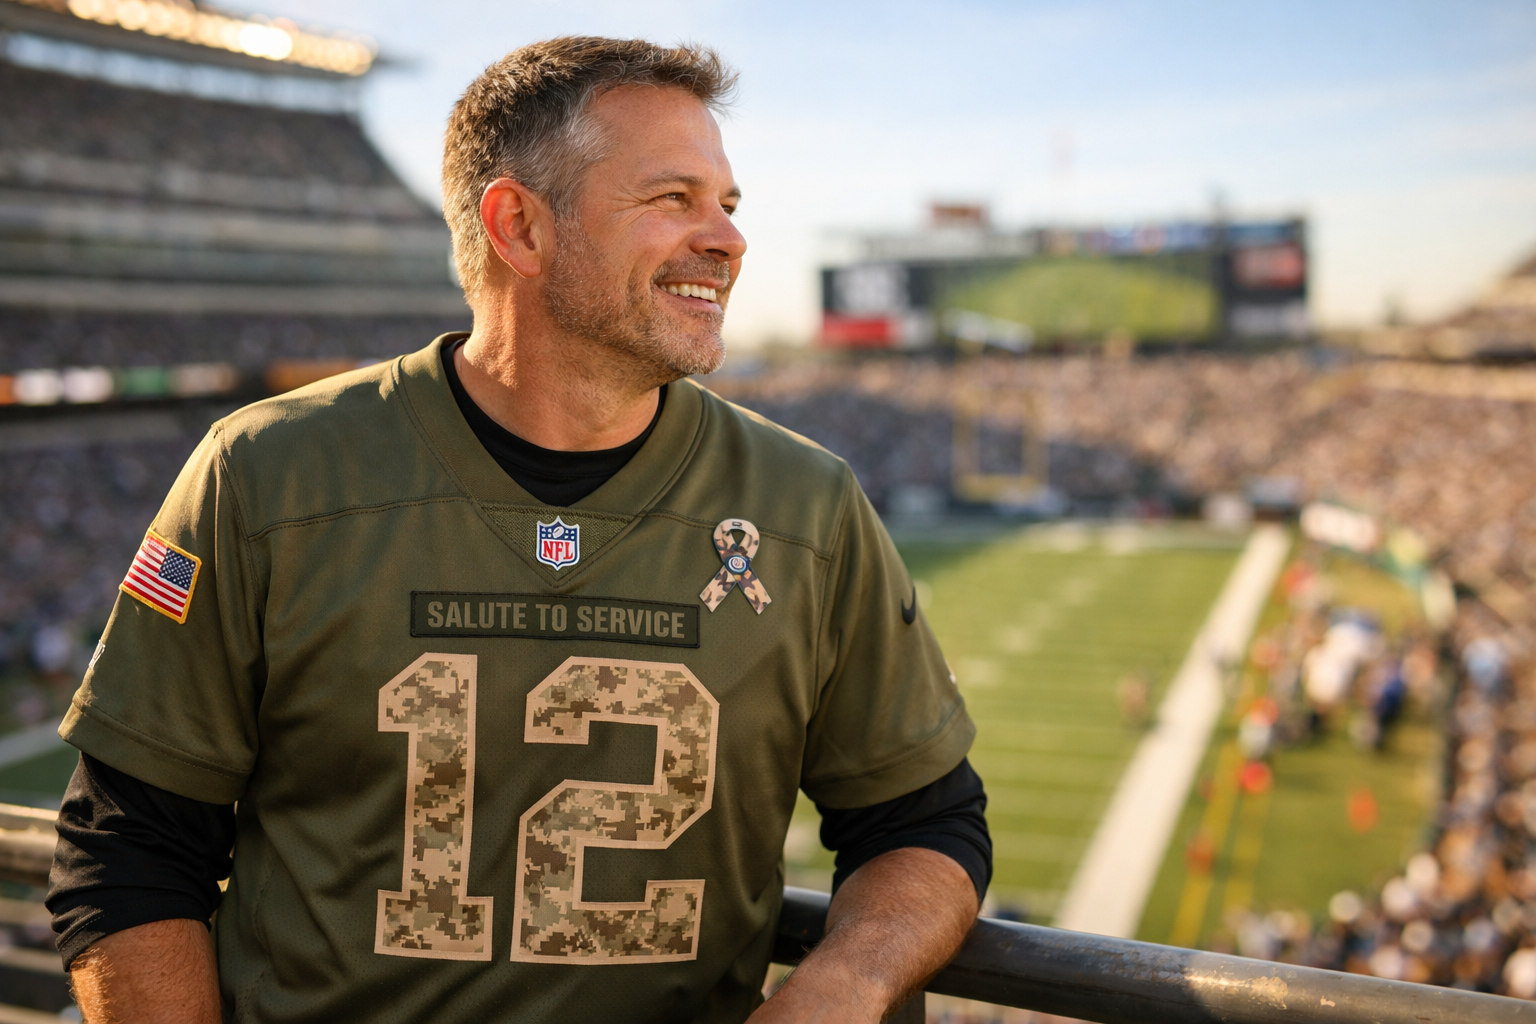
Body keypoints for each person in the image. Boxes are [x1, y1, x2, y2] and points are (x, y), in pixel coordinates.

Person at [46, 37, 991, 1023]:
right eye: (674, 198)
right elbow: (130, 850)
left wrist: (843, 984)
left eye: (729, 204)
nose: (728, 238)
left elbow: (924, 820)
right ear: (520, 227)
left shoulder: (807, 507)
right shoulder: (268, 474)